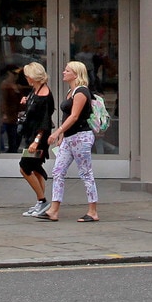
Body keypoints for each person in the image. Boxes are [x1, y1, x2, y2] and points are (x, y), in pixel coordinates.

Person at [43, 60, 99, 223]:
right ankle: (53, 210)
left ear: (76, 74)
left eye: (67, 70)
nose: (63, 72)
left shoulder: (81, 92)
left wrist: (58, 131)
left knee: (86, 173)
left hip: (81, 137)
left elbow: (74, 116)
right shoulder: (71, 91)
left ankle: (93, 211)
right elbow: (67, 115)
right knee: (58, 171)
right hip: (69, 138)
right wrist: (62, 135)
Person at [15, 63, 56, 218]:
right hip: (32, 135)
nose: (26, 78)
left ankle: (42, 200)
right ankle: (41, 203)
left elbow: (44, 122)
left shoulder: (45, 95)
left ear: (32, 77)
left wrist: (36, 141)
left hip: (38, 138)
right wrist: (27, 101)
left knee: (24, 167)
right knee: (36, 168)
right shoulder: (37, 89)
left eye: (27, 76)